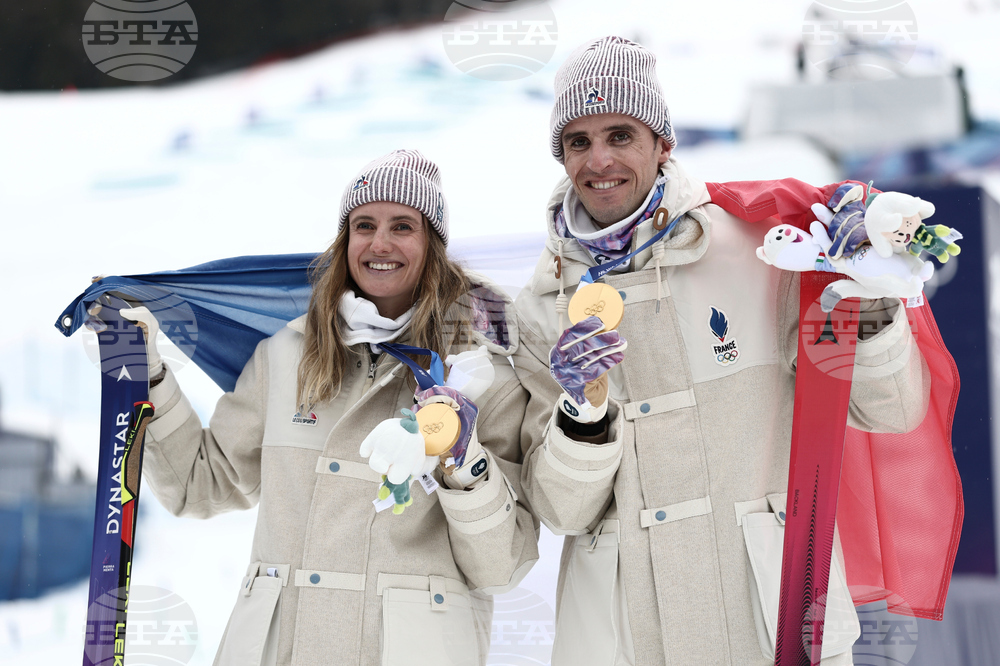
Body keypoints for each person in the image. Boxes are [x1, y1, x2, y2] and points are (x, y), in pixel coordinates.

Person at [513, 37, 930, 665]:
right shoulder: (542, 303)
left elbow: (891, 410)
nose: (599, 159)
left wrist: (864, 296)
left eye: (621, 134)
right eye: (578, 141)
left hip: (772, 619)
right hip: (624, 638)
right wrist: (582, 412)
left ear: (663, 144)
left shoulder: (765, 247)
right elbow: (561, 511)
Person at [126, 149, 538, 666]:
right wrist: (151, 379)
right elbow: (200, 486)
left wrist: (459, 456)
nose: (379, 243)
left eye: (403, 226)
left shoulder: (482, 373)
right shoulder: (286, 355)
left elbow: (504, 566)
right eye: (363, 224)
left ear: (433, 246)